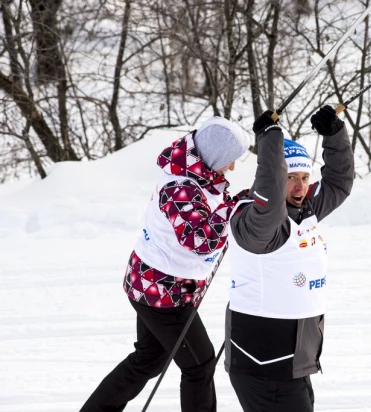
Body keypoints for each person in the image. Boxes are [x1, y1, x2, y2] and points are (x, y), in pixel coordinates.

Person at [81, 117, 249, 412]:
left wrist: (233, 203)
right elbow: (201, 240)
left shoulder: (197, 175)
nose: (233, 167)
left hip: (151, 285)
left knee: (149, 358)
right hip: (163, 293)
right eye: (230, 160)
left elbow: (208, 216)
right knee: (199, 365)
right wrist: (235, 206)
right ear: (214, 155)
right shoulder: (180, 187)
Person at [223, 105, 354, 411]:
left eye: (305, 177)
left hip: (295, 361)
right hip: (265, 365)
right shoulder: (256, 222)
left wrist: (334, 135)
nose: (299, 186)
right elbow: (268, 200)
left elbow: (339, 182)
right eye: (291, 176)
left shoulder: (304, 210)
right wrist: (269, 140)